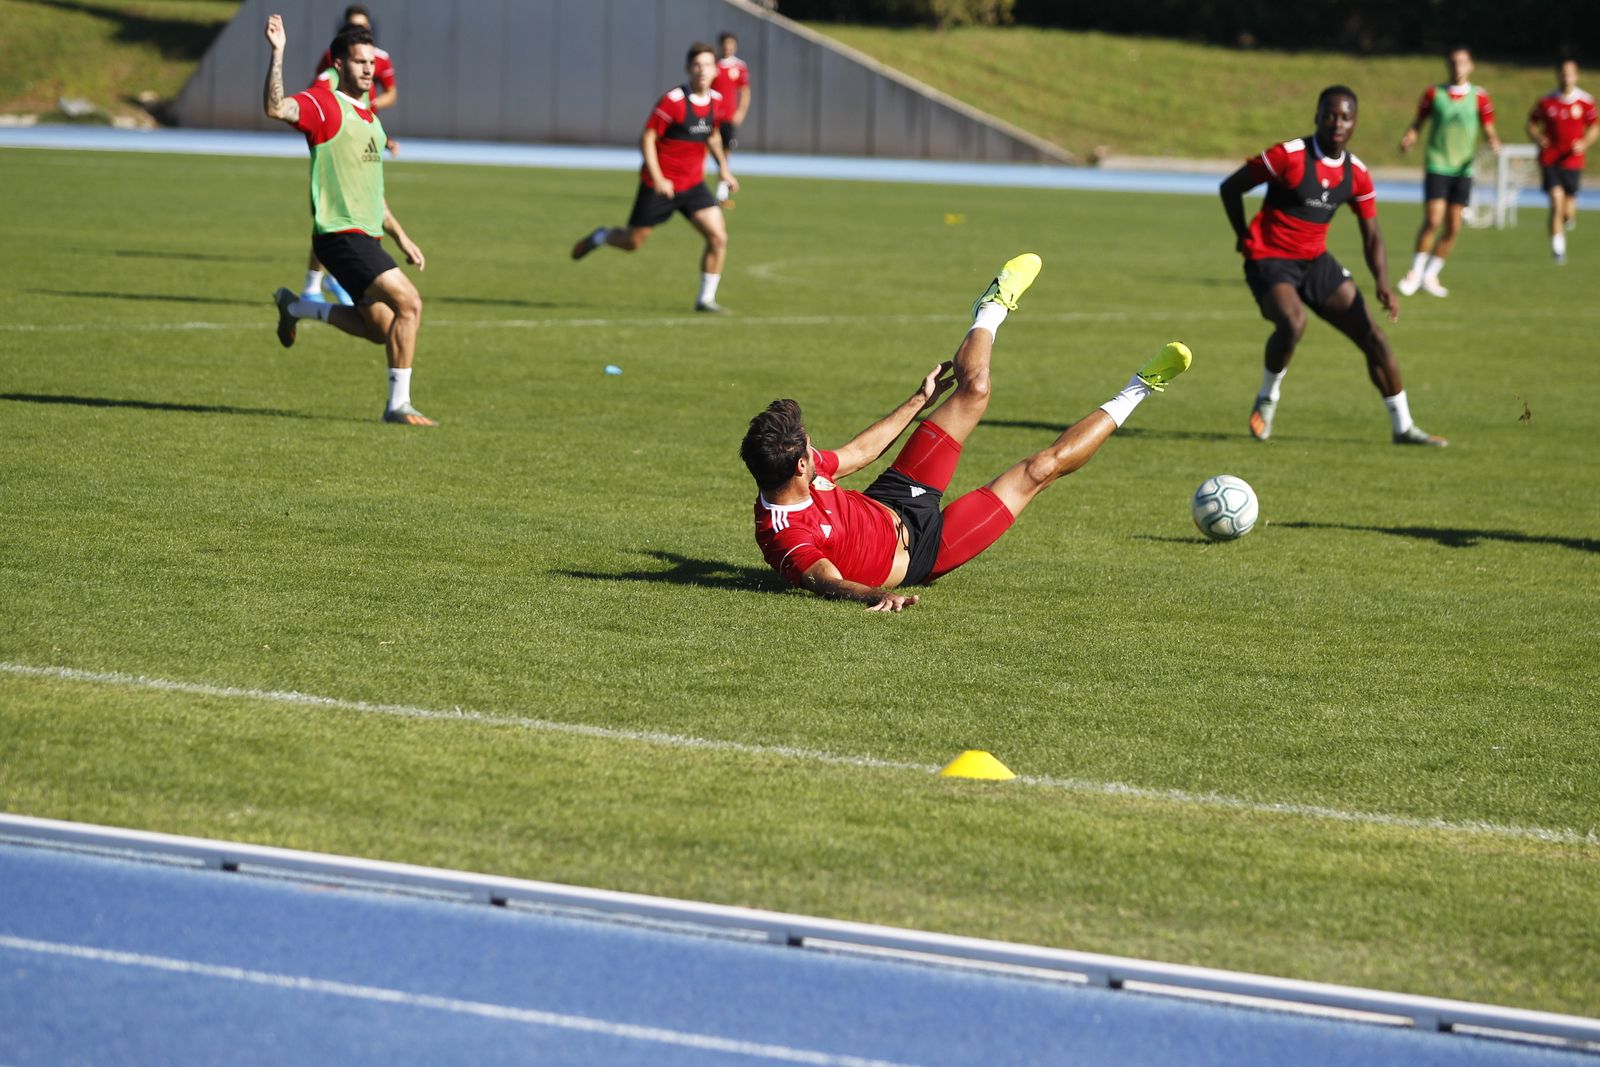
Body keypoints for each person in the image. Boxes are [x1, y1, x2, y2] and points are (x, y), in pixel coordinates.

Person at [741, 254, 1192, 611]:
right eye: (808, 445)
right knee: (1038, 470)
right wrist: (875, 596)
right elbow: (824, 580)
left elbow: (860, 452)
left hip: (893, 497)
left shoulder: (795, 472)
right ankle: (1141, 387)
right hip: (925, 552)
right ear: (799, 466)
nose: (815, 448)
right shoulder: (786, 535)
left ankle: (993, 306)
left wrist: (920, 399)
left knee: (974, 389)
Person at [1220, 85, 1446, 448]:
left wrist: (1383, 283)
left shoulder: (1356, 173)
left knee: (1374, 336)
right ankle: (1267, 397)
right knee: (1293, 322)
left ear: (1355, 123)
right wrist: (1242, 235)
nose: (1337, 123)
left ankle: (1404, 427)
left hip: (1315, 262)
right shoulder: (1287, 156)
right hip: (1270, 259)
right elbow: (1231, 187)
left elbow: (1371, 234)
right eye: (1330, 115)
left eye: (1345, 117)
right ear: (1317, 117)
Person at [263, 14, 435, 426]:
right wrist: (278, 53)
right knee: (410, 303)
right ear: (339, 65)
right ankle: (398, 406)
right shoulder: (323, 104)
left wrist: (403, 238)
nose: (368, 69)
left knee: (379, 328)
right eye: (359, 61)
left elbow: (374, 195)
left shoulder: (372, 122)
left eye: (371, 62)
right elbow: (275, 107)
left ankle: (298, 306)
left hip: (367, 238)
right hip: (339, 236)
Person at [570, 42, 738, 314]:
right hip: (659, 186)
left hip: (693, 184)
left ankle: (705, 300)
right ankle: (602, 236)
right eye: (697, 65)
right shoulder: (672, 101)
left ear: (715, 70)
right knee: (632, 243)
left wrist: (724, 168)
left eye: (708, 65)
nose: (702, 71)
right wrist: (659, 177)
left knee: (718, 238)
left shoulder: (716, 102)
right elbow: (647, 138)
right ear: (688, 69)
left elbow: (713, 135)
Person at [302, 4, 399, 305]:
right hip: (338, 141)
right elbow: (318, 96)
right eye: (353, 28)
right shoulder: (335, 65)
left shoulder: (377, 59)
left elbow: (390, 94)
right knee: (333, 215)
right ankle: (313, 285)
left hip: (364, 138)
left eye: (364, 28)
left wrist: (377, 125)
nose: (359, 33)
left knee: (357, 213)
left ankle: (333, 279)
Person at [1396, 46, 1501, 297]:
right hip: (1438, 163)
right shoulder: (1434, 93)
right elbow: (1418, 123)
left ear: (1471, 65)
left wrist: (1494, 142)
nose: (1458, 67)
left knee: (1453, 226)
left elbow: (1488, 128)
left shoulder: (1479, 96)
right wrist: (1410, 137)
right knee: (1433, 219)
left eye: (1463, 62)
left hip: (1464, 168)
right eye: (1454, 62)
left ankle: (1431, 275)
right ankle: (1414, 272)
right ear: (1447, 65)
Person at [1527, 57, 1598, 265]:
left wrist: (1584, 142)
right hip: (1550, 159)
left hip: (1573, 161)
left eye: (1570, 73)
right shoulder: (1547, 101)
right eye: (1563, 73)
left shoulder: (1585, 101)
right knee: (1556, 204)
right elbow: (1531, 124)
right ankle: (1558, 250)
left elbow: (1595, 126)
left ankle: (1568, 219)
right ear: (1558, 75)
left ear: (1576, 76)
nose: (1566, 78)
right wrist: (1538, 138)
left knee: (1567, 211)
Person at [711, 31, 751, 205]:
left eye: (731, 45)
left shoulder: (740, 66)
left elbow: (745, 91)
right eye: (725, 45)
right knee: (701, 150)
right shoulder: (712, 64)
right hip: (711, 116)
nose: (728, 48)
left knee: (725, 154)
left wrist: (740, 112)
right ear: (720, 46)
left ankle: (721, 195)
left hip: (727, 117)